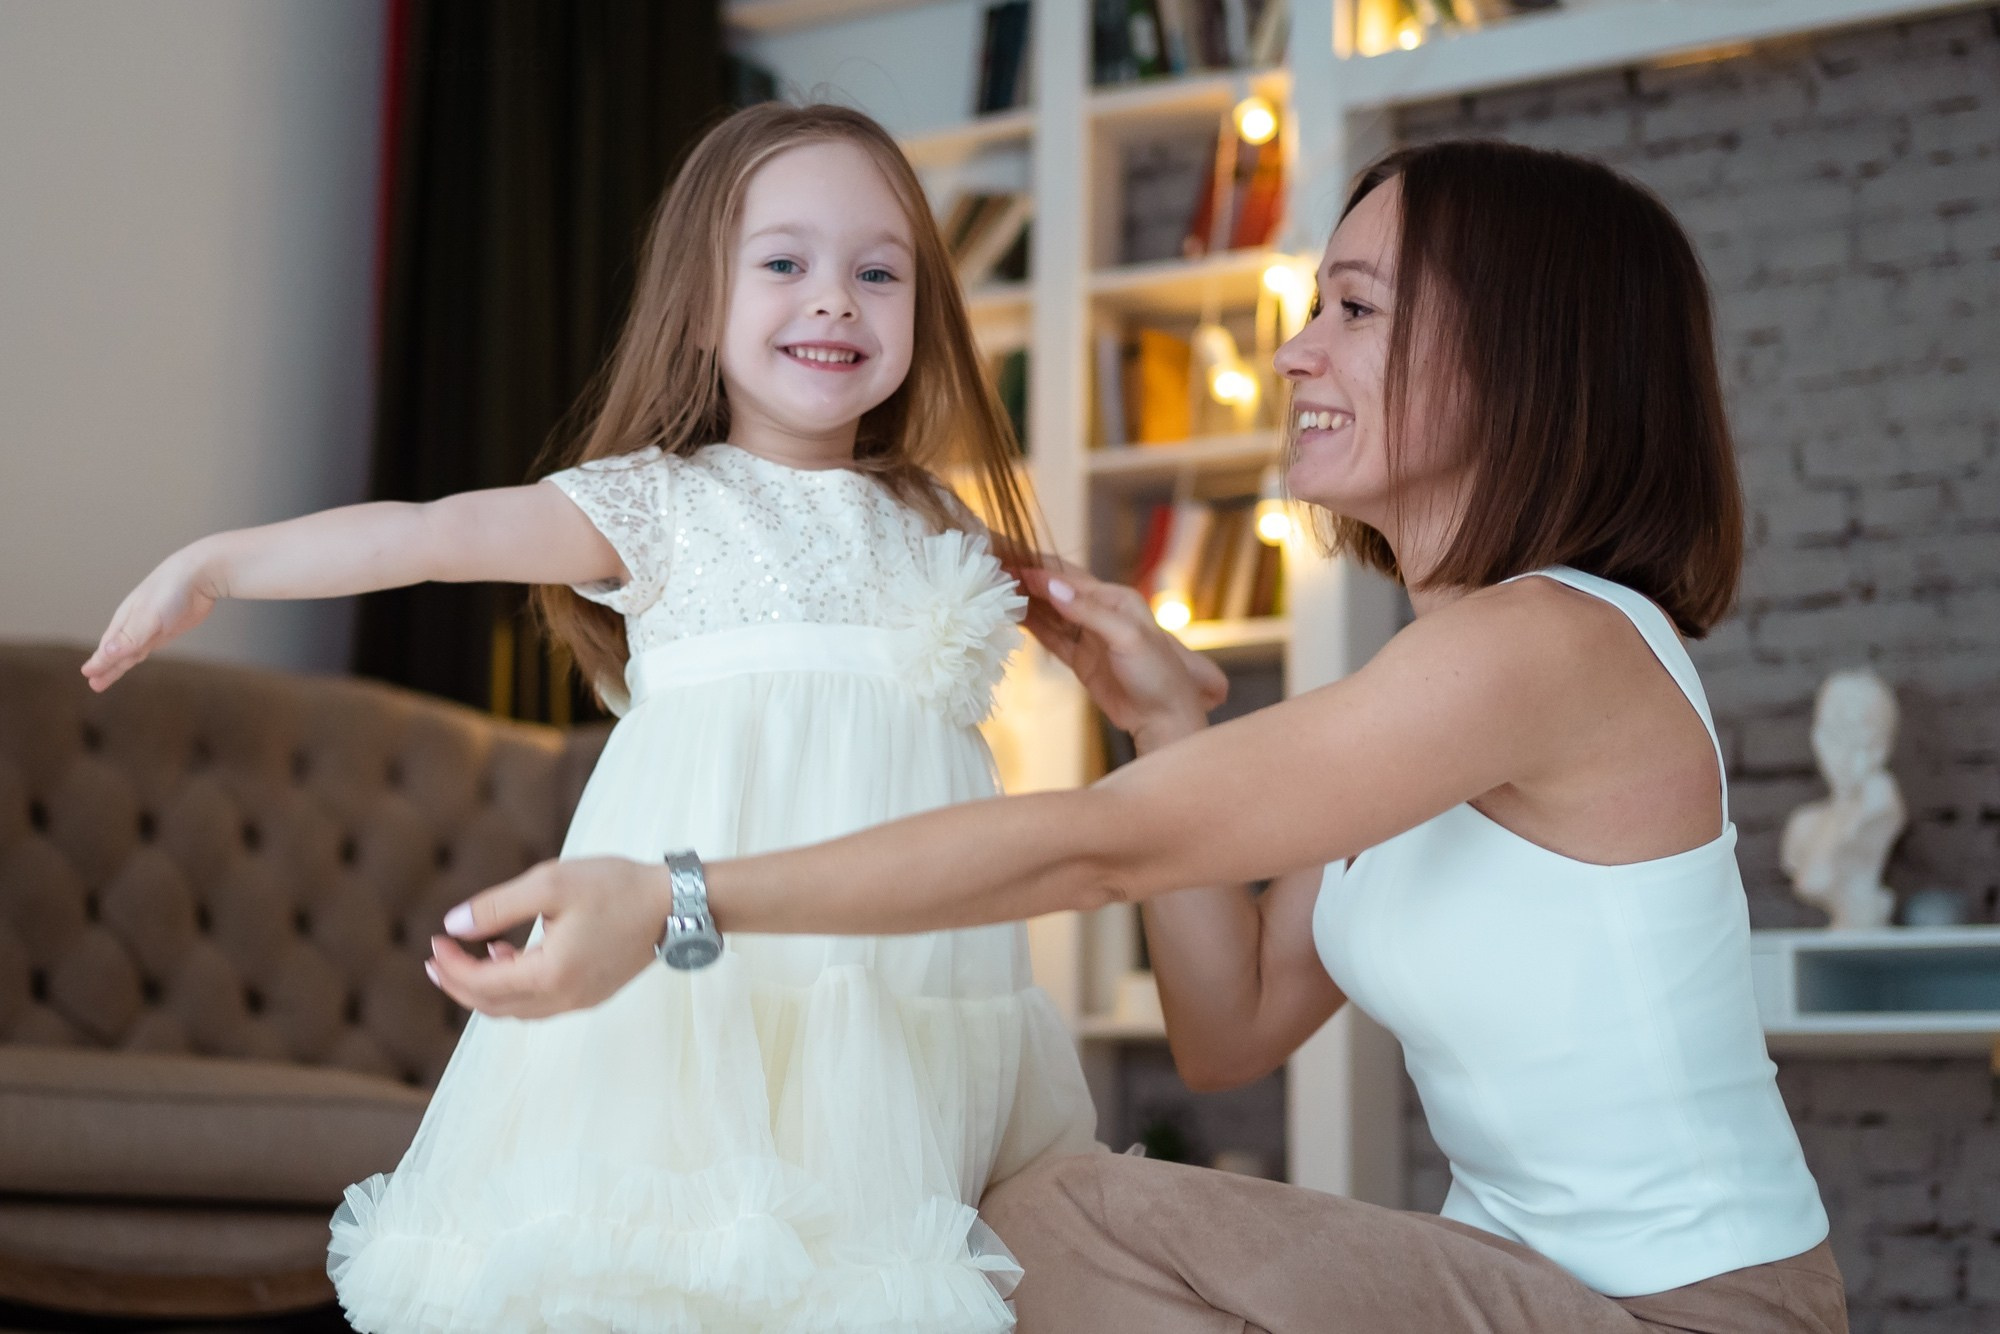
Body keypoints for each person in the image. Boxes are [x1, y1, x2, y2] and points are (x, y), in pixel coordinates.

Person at [430, 140, 1852, 1333]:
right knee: (1014, 1225)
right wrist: (1165, 720)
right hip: (1522, 1286)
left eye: (1355, 308)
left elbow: (1101, 849)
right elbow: (1231, 1027)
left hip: (1690, 1314)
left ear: (1523, 353)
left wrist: (677, 896)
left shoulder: (1549, 644)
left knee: (1039, 1222)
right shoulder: (1434, 687)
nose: (1295, 349)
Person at [80, 103, 1101, 1334]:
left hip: (902, 988)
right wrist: (214, 564)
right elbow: (428, 532)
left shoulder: (934, 518)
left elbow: (1079, 635)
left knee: (876, 1272)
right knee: (690, 1264)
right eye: (784, 263)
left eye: (877, 273)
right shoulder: (659, 505)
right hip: (701, 980)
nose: (834, 299)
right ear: (699, 303)